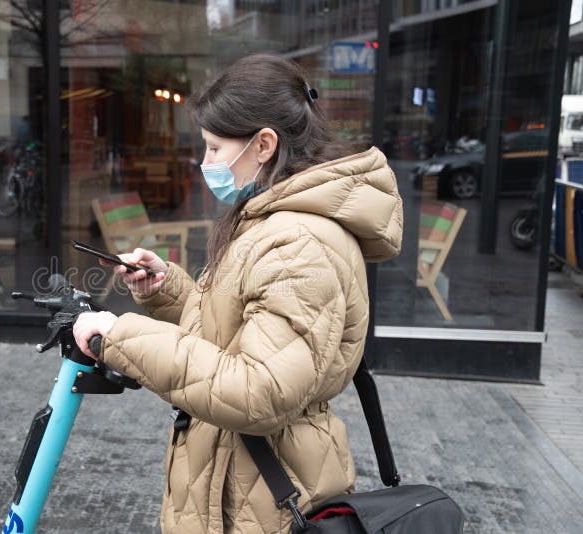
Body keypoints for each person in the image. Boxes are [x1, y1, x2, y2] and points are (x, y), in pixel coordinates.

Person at [73, 54, 403, 533]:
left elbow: (258, 389)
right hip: (238, 483)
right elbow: (238, 331)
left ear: (264, 143)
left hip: (263, 500)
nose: (205, 164)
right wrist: (167, 288)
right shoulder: (270, 219)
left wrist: (121, 335)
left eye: (213, 148)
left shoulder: (298, 244)